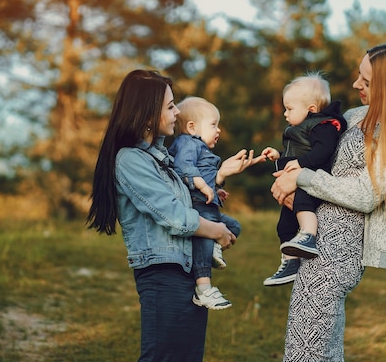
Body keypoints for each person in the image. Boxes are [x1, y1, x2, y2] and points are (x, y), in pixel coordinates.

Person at [270, 43, 386, 361]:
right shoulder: (355, 116)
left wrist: (302, 179)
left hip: (335, 257)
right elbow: (324, 167)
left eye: (366, 81)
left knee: (305, 352)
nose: (355, 84)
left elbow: (365, 194)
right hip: (317, 245)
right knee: (324, 351)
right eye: (359, 75)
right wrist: (289, 182)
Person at [86, 69, 261, 362]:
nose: (177, 112)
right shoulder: (130, 159)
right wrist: (215, 231)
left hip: (186, 270)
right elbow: (173, 216)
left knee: (187, 356)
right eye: (170, 106)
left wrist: (218, 178)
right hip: (161, 273)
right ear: (146, 115)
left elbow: (190, 201)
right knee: (163, 356)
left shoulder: (164, 159)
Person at [169, 97, 261, 309]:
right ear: (192, 127)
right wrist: (202, 185)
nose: (219, 130)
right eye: (213, 125)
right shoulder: (187, 143)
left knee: (234, 227)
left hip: (207, 203)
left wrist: (216, 184)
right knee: (209, 228)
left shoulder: (201, 147)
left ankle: (209, 250)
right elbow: (184, 166)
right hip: (197, 206)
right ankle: (203, 288)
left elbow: (205, 174)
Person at [261, 73, 347, 287]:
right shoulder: (302, 128)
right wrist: (279, 156)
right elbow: (296, 151)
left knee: (302, 204)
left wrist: (301, 164)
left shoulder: (323, 125)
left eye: (289, 109)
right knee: (283, 227)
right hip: (299, 180)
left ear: (311, 109)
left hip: (312, 181)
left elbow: (323, 151)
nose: (284, 113)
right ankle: (290, 264)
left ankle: (308, 234)